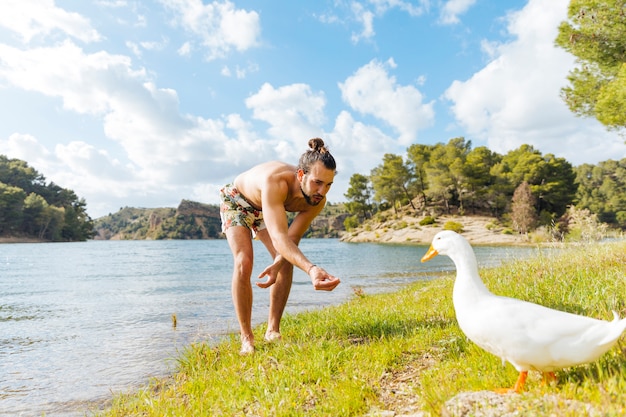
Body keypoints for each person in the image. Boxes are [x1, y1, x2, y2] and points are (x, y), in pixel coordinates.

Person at [219, 138, 341, 354]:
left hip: (266, 210)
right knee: (244, 262)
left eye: (328, 185)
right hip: (237, 201)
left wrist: (279, 261)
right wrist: (312, 269)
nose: (322, 191)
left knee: (287, 261)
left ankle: (272, 330)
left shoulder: (317, 200)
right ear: (301, 175)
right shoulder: (275, 182)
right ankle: (246, 338)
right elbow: (278, 237)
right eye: (317, 182)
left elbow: (290, 240)